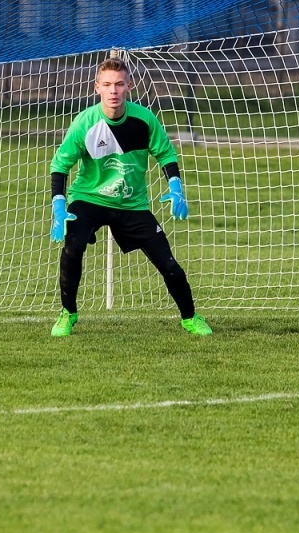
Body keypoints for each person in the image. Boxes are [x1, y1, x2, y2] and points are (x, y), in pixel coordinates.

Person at [49, 56, 210, 338]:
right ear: (97, 87)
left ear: (129, 86)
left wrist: (175, 187)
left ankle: (190, 318)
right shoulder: (85, 122)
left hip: (132, 203)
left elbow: (166, 153)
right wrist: (59, 206)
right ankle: (68, 313)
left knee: (169, 265)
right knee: (73, 247)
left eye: (119, 84)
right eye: (107, 84)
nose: (113, 90)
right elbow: (60, 165)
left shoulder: (144, 119)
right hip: (89, 199)